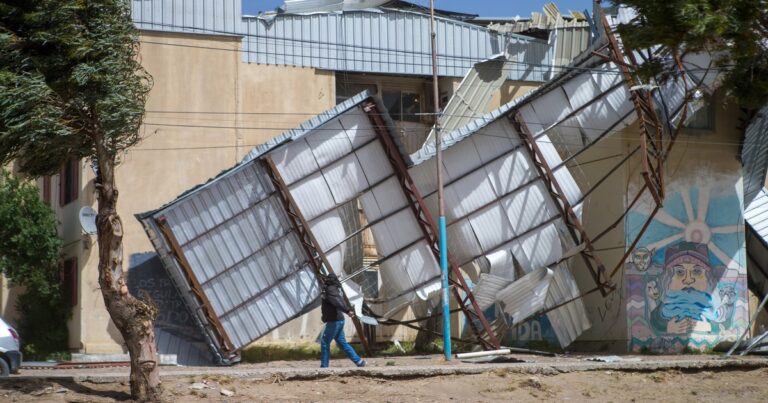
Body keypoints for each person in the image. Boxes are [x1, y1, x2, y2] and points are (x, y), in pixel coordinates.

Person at [320, 273, 366, 368]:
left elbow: (337, 302)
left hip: (334, 321)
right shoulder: (335, 289)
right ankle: (359, 362)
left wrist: (347, 310)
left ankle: (324, 367)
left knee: (325, 342)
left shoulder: (331, 289)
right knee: (342, 343)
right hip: (338, 320)